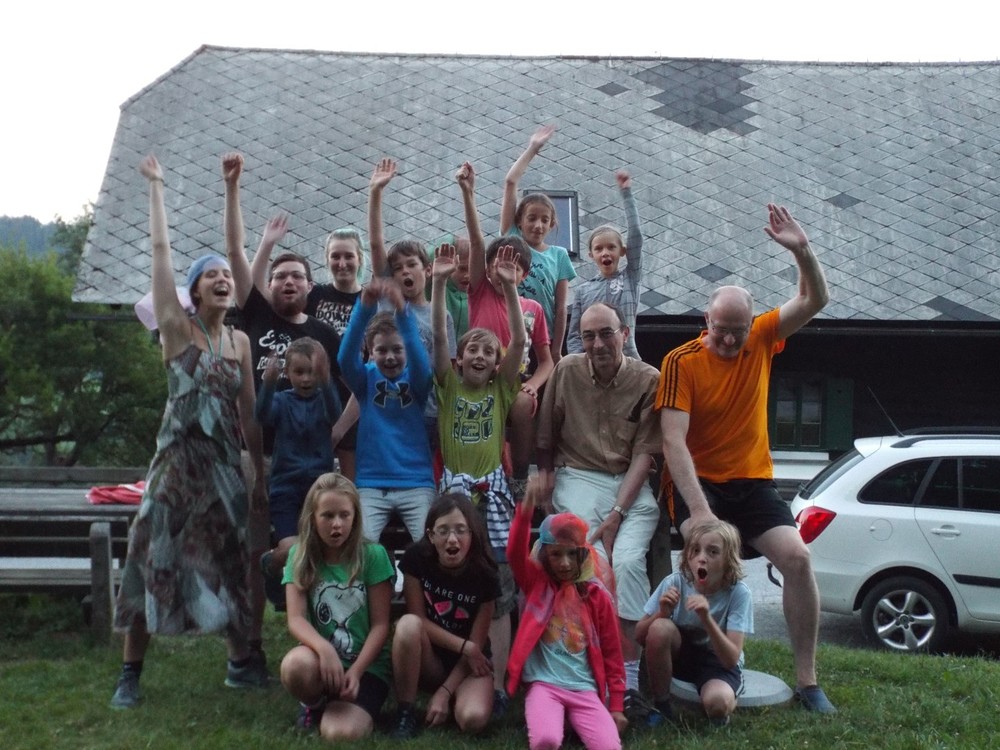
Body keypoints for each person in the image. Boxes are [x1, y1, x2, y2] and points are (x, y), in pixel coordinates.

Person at [656, 203, 834, 712]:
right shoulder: (681, 362)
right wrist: (700, 512)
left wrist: (802, 250)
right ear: (705, 321)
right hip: (699, 485)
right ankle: (684, 663)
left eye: (739, 328)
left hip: (752, 481)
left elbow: (815, 299)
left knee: (798, 558)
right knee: (707, 558)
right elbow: (673, 442)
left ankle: (808, 682)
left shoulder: (762, 337)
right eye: (722, 329)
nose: (731, 339)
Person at [111, 155, 266, 708]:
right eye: (211, 276)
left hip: (224, 468)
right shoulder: (176, 331)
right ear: (194, 292)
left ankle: (240, 662)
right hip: (175, 466)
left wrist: (257, 470)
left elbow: (249, 413)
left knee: (230, 557)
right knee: (152, 554)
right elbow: (161, 253)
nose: (223, 279)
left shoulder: (239, 342)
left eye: (226, 275)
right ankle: (130, 673)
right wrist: (157, 186)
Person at [223, 152, 343, 650]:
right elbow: (235, 253)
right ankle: (248, 649)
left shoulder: (323, 335)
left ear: (310, 287)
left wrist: (332, 438)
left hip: (311, 462)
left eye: (297, 276)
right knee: (257, 551)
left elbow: (347, 394)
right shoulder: (257, 317)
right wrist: (234, 189)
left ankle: (316, 643)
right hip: (260, 456)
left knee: (316, 551)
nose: (288, 281)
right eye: (280, 276)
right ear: (268, 286)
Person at [535, 301, 662, 724]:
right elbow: (546, 436)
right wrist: (546, 480)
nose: (598, 344)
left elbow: (645, 452)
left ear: (624, 334)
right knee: (598, 565)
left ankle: (629, 682)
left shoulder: (648, 379)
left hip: (629, 483)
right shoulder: (567, 371)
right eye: (588, 336)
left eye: (606, 333)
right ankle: (593, 675)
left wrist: (618, 512)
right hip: (580, 477)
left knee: (627, 562)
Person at [432, 239, 525, 714]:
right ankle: (452, 669)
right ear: (460, 358)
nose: (481, 355)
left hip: (493, 497)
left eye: (490, 351)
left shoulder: (501, 391)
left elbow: (521, 343)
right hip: (454, 498)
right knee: (455, 582)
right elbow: (440, 338)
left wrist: (509, 290)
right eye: (473, 349)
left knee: (501, 590)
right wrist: (437, 285)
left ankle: (505, 682)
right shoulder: (448, 387)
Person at [457, 160, 554, 501]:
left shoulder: (533, 309)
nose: (504, 271)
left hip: (515, 380)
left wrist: (533, 385)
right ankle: (483, 470)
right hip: (480, 376)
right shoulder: (480, 291)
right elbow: (476, 240)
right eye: (498, 263)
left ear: (524, 275)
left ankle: (520, 476)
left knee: (523, 405)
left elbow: (546, 360)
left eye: (513, 267)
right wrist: (468, 193)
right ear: (486, 268)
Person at [506, 479, 627, 750]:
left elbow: (612, 653)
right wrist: (525, 511)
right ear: (544, 554)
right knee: (546, 740)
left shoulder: (596, 596)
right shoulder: (536, 584)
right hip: (544, 686)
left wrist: (617, 706)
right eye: (556, 554)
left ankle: (569, 721)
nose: (564, 563)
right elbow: (514, 553)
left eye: (572, 554)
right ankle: (552, 719)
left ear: (583, 554)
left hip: (584, 689)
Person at [279, 473, 394, 739]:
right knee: (294, 666)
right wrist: (324, 649)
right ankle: (314, 703)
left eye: (344, 515)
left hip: (366, 667)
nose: (337, 524)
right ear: (312, 518)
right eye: (327, 516)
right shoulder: (300, 555)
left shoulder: (373, 555)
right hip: (321, 662)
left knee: (339, 734)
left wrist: (356, 671)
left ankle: (349, 707)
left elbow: (380, 626)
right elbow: (296, 619)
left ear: (355, 517)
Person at [390, 494, 500, 738]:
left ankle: (454, 697)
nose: (452, 538)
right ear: (431, 536)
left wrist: (444, 692)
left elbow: (476, 646)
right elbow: (418, 620)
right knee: (407, 625)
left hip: (469, 664)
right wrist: (464, 645)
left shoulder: (486, 575)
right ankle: (405, 711)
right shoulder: (416, 559)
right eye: (443, 531)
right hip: (429, 658)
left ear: (472, 534)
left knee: (473, 719)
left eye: (461, 530)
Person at [337, 276, 434, 543]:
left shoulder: (417, 382)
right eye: (381, 350)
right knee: (363, 544)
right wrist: (364, 307)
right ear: (370, 351)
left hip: (416, 483)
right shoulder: (365, 381)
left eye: (397, 349)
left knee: (427, 545)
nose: (390, 356)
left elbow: (420, 360)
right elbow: (345, 358)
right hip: (371, 484)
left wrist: (403, 312)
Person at [635, 520, 753, 726]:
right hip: (681, 655)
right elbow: (639, 636)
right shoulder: (675, 582)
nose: (702, 558)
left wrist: (706, 618)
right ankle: (661, 705)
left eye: (713, 552)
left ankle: (720, 699)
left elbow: (730, 659)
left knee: (717, 705)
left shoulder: (738, 593)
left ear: (728, 559)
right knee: (660, 628)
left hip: (717, 662)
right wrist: (662, 613)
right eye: (695, 550)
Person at [256, 339, 342, 609]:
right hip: (286, 489)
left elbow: (335, 414)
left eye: (312, 372)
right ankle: (272, 562)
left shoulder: (324, 399)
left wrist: (327, 382)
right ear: (287, 372)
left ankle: (312, 606)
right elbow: (262, 416)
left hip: (318, 490)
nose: (306, 379)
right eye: (299, 372)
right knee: (293, 550)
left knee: (320, 550)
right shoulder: (282, 401)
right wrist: (268, 384)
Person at [501, 125, 576, 363]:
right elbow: (510, 182)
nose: (538, 225)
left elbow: (561, 307)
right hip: (508, 332)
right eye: (531, 218)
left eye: (544, 220)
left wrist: (556, 348)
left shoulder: (559, 255)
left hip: (542, 338)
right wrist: (533, 148)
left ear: (552, 224)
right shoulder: (512, 239)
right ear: (519, 221)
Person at [567, 170, 644, 360]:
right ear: (591, 255)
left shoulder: (630, 278)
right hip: (595, 361)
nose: (605, 253)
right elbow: (575, 335)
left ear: (622, 251)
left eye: (611, 247)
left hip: (628, 359)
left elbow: (636, 236)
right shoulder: (584, 291)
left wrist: (626, 194)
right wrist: (581, 365)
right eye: (599, 249)